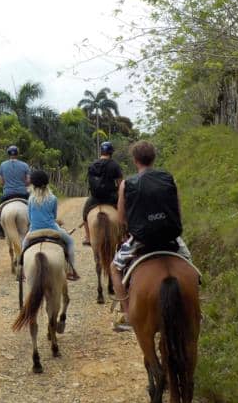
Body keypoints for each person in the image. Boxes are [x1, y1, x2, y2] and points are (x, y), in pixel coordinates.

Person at [110, 140, 192, 331]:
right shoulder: (169, 178)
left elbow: (121, 219)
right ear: (154, 158)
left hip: (141, 240)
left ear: (135, 160)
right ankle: (195, 310)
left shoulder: (127, 184)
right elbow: (178, 212)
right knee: (190, 266)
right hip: (170, 238)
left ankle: (128, 314)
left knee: (114, 268)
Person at [19, 170, 79, 280]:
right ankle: (71, 270)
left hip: (34, 230)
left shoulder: (31, 199)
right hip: (52, 228)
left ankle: (21, 271)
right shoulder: (53, 198)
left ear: (33, 184)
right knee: (70, 241)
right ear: (46, 183)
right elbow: (54, 216)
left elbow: (30, 218)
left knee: (24, 244)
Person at [81, 141, 124, 247]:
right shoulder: (115, 165)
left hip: (95, 198)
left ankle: (88, 237)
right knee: (125, 211)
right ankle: (124, 235)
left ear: (101, 151)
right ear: (111, 152)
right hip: (111, 197)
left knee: (85, 214)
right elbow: (120, 184)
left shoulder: (92, 165)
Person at [0, 145, 31, 237]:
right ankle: (33, 225)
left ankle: (0, 230)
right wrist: (22, 183)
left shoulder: (3, 165)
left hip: (7, 194)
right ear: (17, 154)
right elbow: (28, 182)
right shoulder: (25, 165)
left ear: (8, 154)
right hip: (22, 193)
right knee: (33, 207)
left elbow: (1, 182)